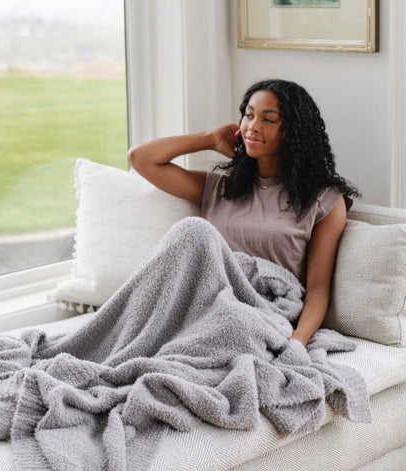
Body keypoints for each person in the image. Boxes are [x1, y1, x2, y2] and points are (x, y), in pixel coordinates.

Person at [127, 78, 359, 347]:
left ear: (294, 132)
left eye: (268, 120)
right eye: (248, 115)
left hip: (261, 315)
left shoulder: (323, 201)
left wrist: (298, 340)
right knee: (190, 231)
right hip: (203, 307)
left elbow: (318, 289)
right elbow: (140, 158)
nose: (253, 127)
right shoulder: (220, 188)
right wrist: (209, 139)